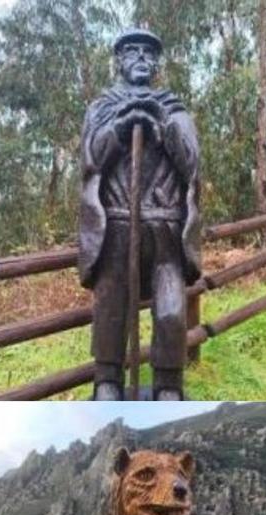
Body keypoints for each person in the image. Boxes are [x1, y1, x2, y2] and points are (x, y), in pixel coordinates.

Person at [78, 29, 200, 401]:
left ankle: (168, 384)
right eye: (132, 52)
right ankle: (108, 380)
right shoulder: (103, 107)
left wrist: (162, 125)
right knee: (111, 305)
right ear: (119, 60)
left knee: (171, 311)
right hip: (115, 221)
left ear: (157, 62)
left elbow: (191, 163)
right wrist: (119, 126)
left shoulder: (174, 107)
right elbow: (91, 159)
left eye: (149, 53)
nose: (141, 59)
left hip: (165, 225)